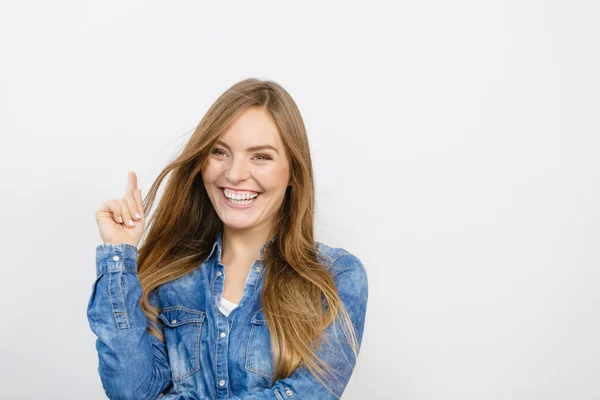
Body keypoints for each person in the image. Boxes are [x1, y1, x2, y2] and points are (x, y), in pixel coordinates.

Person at [87, 78, 369, 400]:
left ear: (292, 171)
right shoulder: (168, 275)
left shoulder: (336, 277)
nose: (235, 174)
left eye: (260, 156)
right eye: (219, 152)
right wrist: (118, 254)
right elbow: (130, 391)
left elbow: (308, 395)